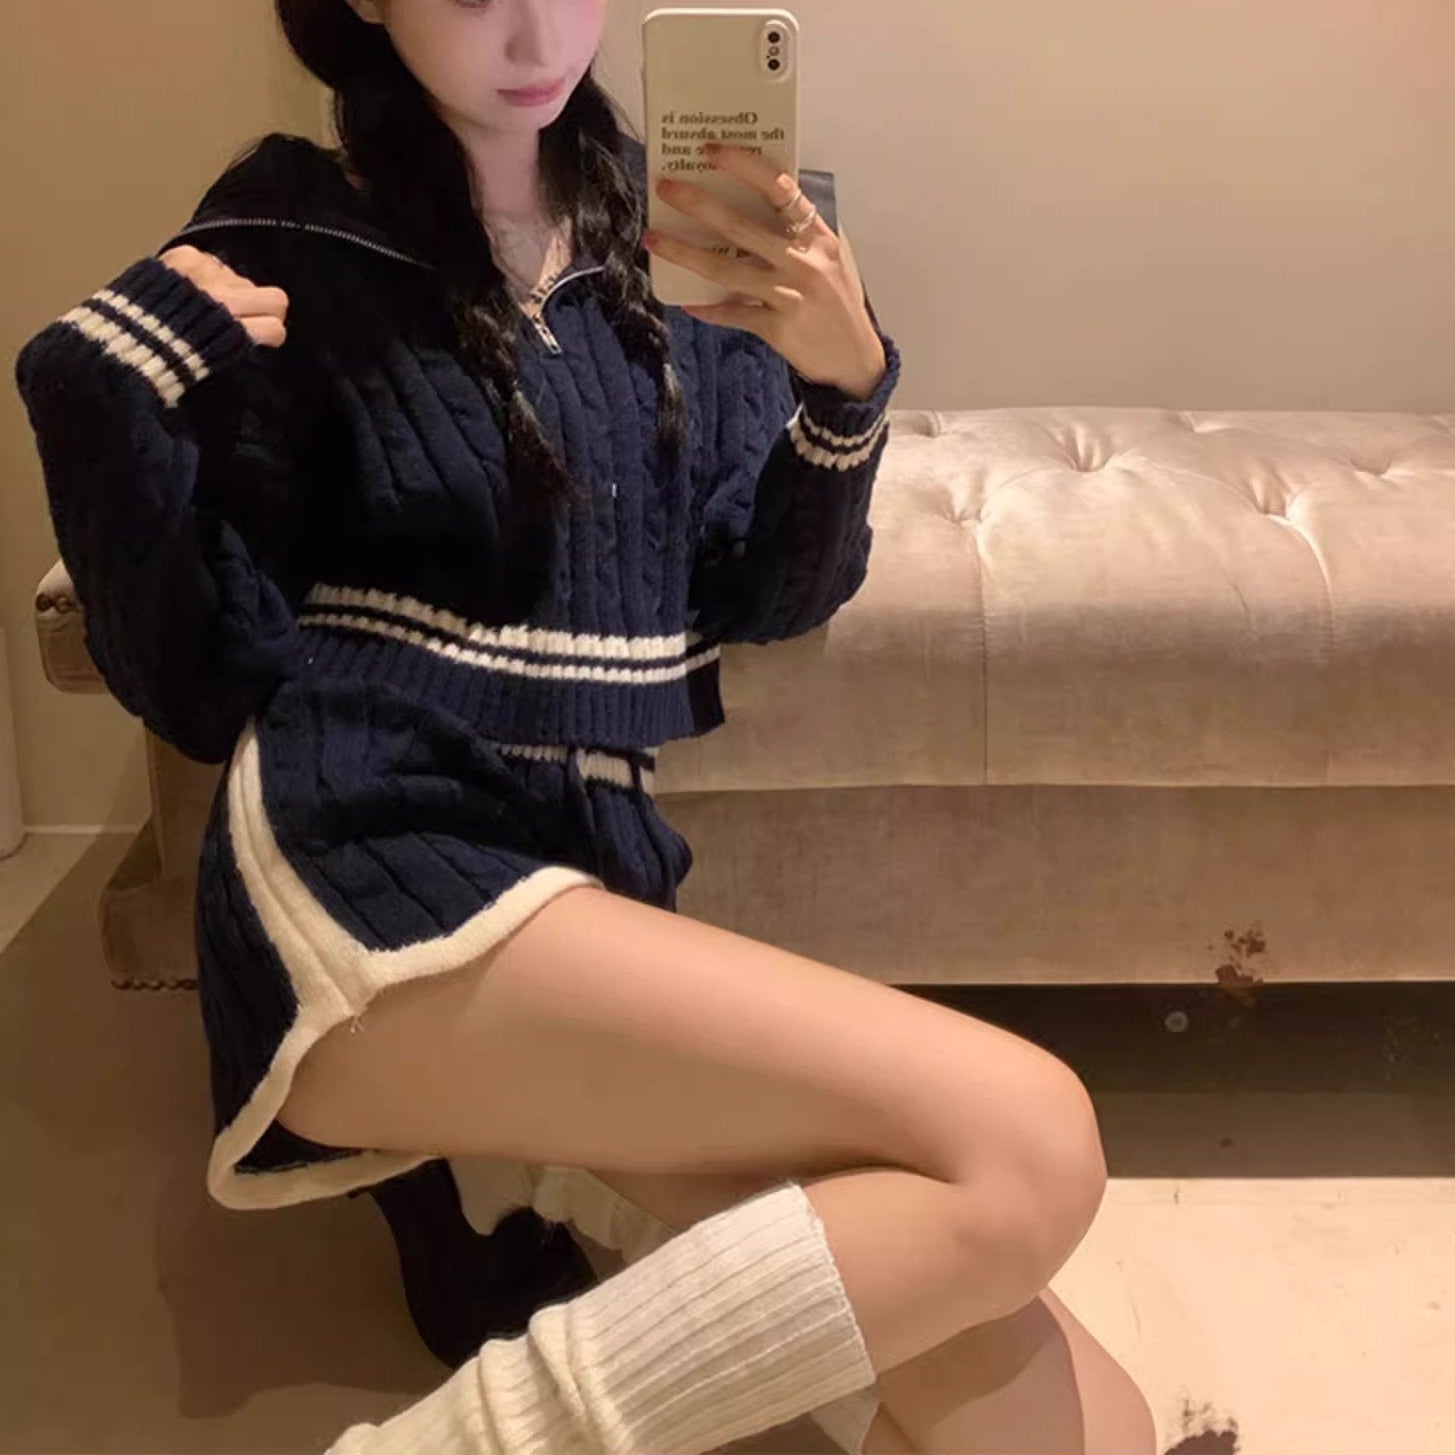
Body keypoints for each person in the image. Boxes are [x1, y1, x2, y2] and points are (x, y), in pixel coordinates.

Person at [15, 1, 1159, 1451]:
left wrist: (842, 391)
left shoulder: (675, 250)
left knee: (1083, 1424)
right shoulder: (289, 234)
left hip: (585, 879)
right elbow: (198, 676)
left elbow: (765, 591)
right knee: (1033, 1143)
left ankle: (503, 1188)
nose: (536, 30)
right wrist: (92, 409)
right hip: (368, 856)